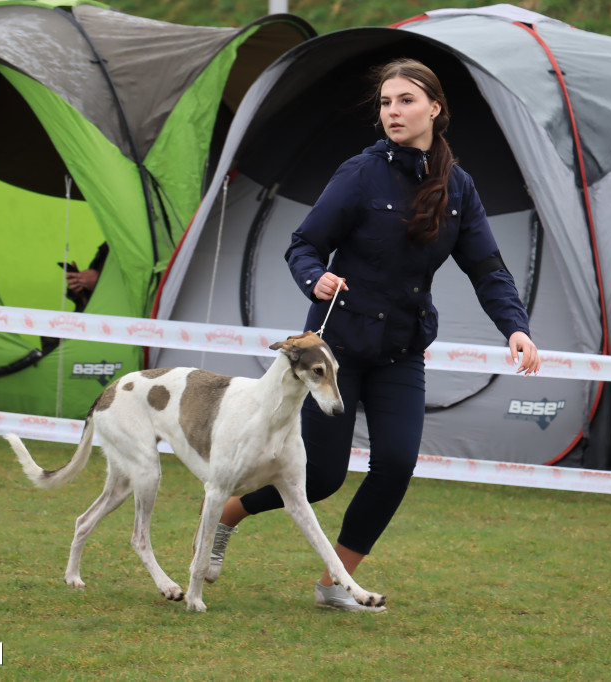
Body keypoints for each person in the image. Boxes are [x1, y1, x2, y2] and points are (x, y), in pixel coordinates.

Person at [208, 59, 541, 612]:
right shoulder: (360, 172)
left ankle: (334, 582)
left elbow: (487, 269)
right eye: (386, 102)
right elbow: (304, 244)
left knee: (395, 466)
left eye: (406, 101)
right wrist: (316, 279)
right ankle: (229, 513)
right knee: (320, 479)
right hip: (332, 353)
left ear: (435, 108)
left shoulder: (459, 187)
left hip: (402, 351)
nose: (393, 111)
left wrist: (517, 327)